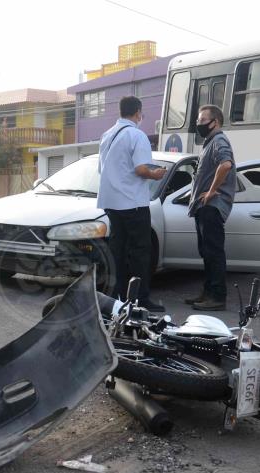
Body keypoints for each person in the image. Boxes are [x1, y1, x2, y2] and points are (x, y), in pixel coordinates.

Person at [97, 96, 167, 312]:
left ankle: (117, 298)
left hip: (111, 202)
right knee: (139, 253)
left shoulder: (107, 135)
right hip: (133, 203)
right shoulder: (136, 135)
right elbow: (141, 169)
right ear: (138, 112)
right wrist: (156, 175)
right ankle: (140, 299)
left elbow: (103, 169)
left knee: (118, 251)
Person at [186, 105, 237, 311]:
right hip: (204, 207)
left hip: (212, 206)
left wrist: (211, 191)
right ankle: (207, 293)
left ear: (215, 122)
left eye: (202, 120)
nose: (199, 124)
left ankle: (217, 297)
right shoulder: (209, 143)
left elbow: (226, 165)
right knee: (206, 252)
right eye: (198, 120)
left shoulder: (219, 140)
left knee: (213, 252)